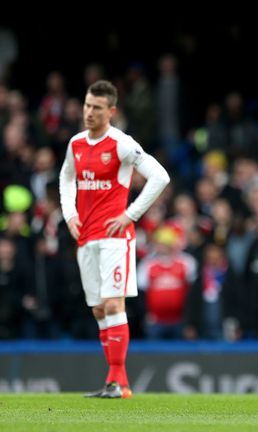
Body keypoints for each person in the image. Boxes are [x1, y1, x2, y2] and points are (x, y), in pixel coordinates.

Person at [59, 80, 170, 398]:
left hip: (115, 237)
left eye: (96, 107)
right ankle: (115, 382)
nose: (89, 112)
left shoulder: (122, 144)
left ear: (111, 111)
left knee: (112, 303)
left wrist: (130, 215)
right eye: (86, 105)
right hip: (86, 237)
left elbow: (160, 176)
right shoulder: (76, 144)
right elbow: (66, 177)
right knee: (97, 310)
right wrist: (69, 214)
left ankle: (118, 382)